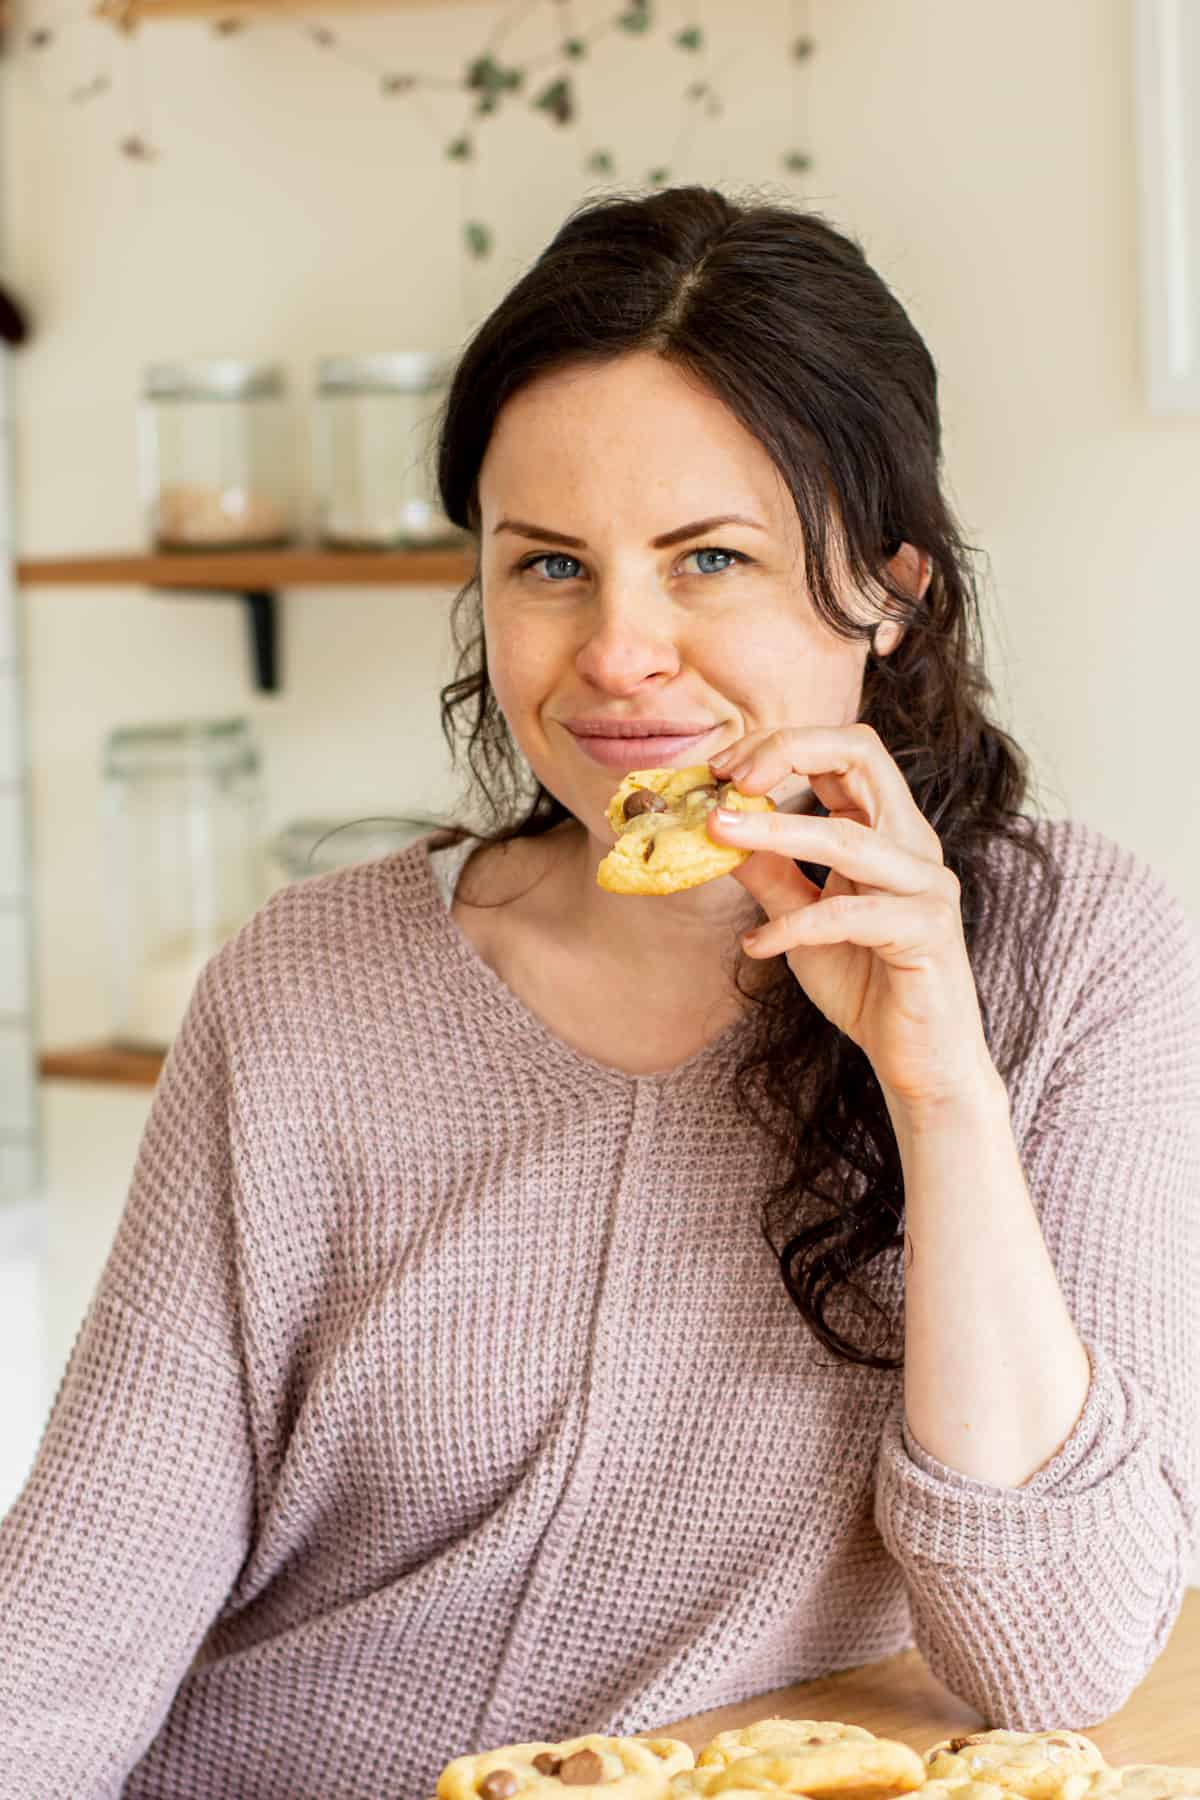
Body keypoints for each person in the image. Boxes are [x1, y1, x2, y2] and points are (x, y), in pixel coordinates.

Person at [1, 185, 1197, 1799]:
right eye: (551, 566)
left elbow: (1056, 1664)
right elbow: (70, 1631)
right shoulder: (306, 990)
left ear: (891, 585)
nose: (618, 654)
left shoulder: (1074, 955)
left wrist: (940, 1089)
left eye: (710, 557)